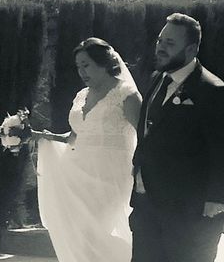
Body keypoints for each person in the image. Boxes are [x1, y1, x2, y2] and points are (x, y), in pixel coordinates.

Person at [130, 13, 224, 262]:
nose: (160, 48)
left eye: (170, 44)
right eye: (159, 41)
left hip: (190, 210)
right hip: (148, 205)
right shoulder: (157, 80)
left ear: (191, 48)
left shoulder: (214, 92)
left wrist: (215, 200)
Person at [33, 37, 142, 262]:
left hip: (110, 177)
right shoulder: (82, 96)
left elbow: (145, 137)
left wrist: (141, 173)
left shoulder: (127, 96)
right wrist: (44, 136)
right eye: (78, 66)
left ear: (104, 63)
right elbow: (76, 136)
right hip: (77, 172)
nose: (82, 72)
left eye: (87, 65)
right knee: (77, 234)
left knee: (95, 233)